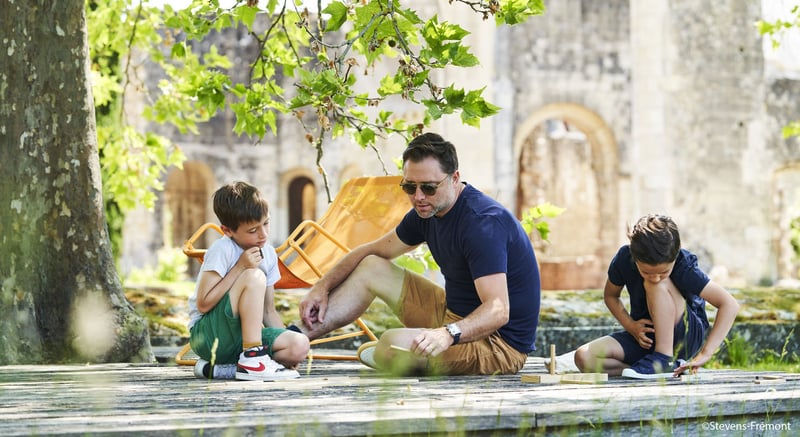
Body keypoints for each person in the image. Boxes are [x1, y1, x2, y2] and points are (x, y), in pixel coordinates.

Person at [295, 132, 541, 375]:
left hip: (498, 344)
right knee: (371, 266)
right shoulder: (427, 212)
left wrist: (448, 334)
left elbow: (498, 310)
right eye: (409, 187)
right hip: (452, 316)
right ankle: (291, 339)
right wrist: (321, 287)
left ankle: (395, 353)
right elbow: (369, 251)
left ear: (455, 178)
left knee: (391, 344)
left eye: (429, 188)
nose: (418, 197)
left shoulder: (482, 224)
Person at [574, 214, 739, 379]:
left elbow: (729, 304)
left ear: (674, 257)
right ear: (634, 256)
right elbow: (611, 295)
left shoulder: (684, 265)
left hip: (684, 335)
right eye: (646, 272)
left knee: (655, 285)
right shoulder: (624, 258)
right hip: (645, 335)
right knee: (584, 357)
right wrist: (631, 326)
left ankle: (664, 359)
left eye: (664, 272)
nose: (655, 277)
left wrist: (706, 353)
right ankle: (650, 367)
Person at [187, 181, 309, 380]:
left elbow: (268, 311)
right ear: (227, 230)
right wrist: (240, 268)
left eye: (266, 223)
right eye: (253, 230)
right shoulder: (222, 250)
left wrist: (286, 344)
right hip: (209, 336)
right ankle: (253, 359)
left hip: (243, 339)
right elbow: (203, 304)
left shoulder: (268, 254)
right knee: (254, 276)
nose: (263, 234)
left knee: (299, 345)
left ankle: (222, 370)